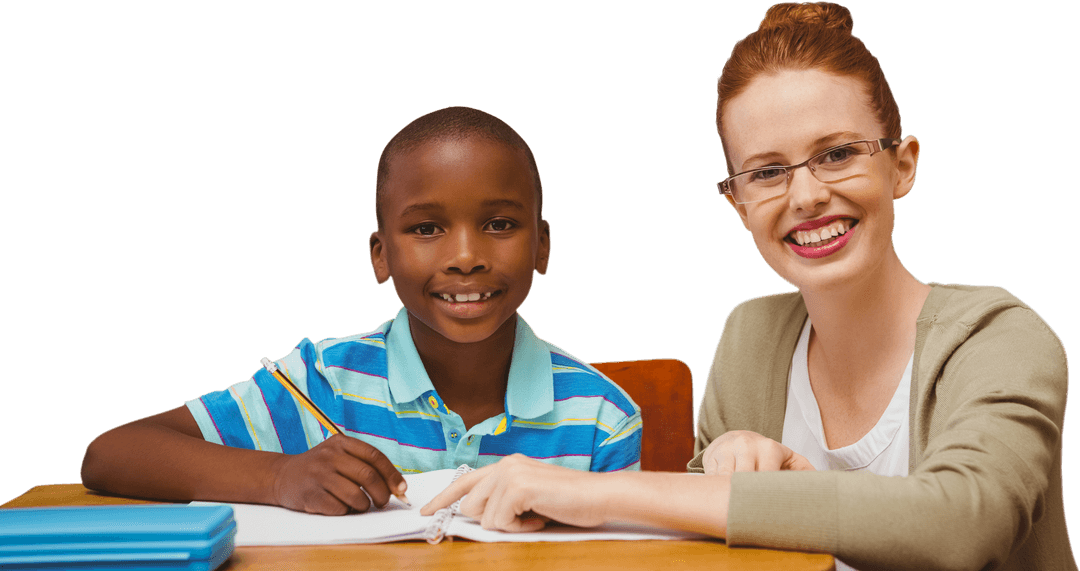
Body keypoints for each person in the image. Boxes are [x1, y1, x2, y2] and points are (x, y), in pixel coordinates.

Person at [421, 5, 1073, 570]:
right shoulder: (751, 337)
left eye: (838, 154)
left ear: (901, 165)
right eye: (766, 172)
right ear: (737, 204)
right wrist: (725, 462)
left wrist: (587, 490)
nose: (807, 195)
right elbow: (704, 533)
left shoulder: (1004, 337)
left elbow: (960, 525)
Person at [80, 106, 643, 515]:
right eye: (426, 228)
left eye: (499, 225)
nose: (466, 257)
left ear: (542, 245)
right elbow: (110, 454)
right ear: (381, 256)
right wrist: (281, 477)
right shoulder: (322, 383)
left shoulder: (601, 418)